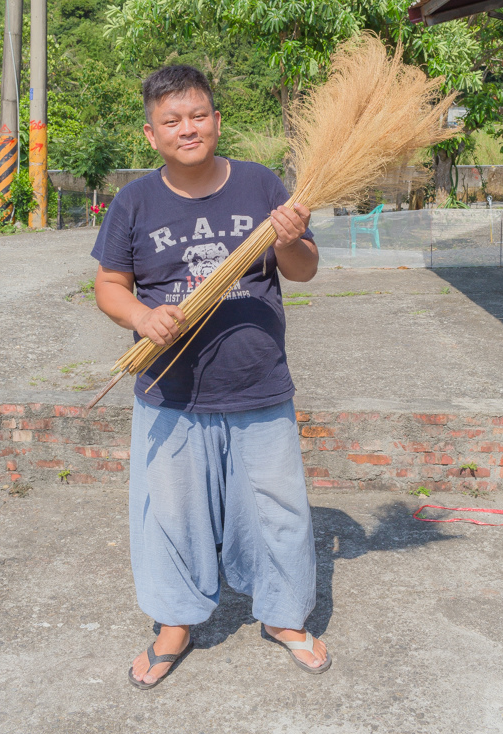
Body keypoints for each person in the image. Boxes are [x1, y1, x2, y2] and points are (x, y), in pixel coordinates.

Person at [92, 64, 331, 689]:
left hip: (258, 383)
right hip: (169, 390)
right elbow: (109, 285)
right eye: (172, 121)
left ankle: (283, 616)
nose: (187, 128)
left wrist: (291, 239)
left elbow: (301, 271)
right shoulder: (134, 201)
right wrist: (143, 317)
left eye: (198, 115)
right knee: (168, 514)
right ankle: (175, 622)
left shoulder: (259, 184)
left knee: (277, 510)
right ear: (152, 134)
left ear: (217, 121)